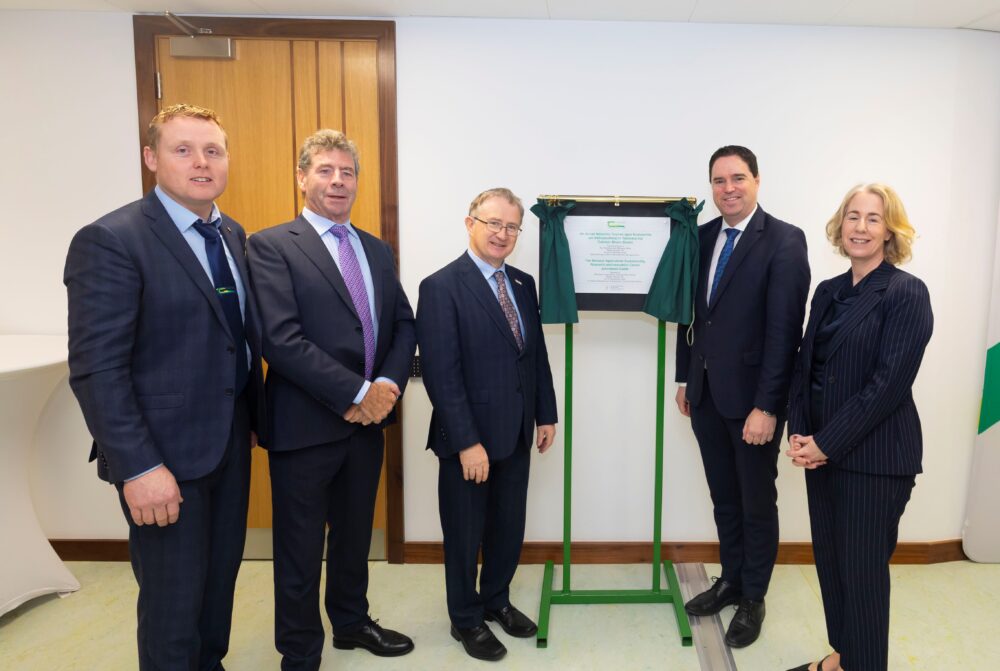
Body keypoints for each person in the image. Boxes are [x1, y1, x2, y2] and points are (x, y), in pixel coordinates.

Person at [64, 103, 265, 670]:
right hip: (161, 459)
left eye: (213, 150)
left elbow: (232, 339)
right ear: (152, 159)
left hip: (227, 444)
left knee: (216, 591)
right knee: (173, 606)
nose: (201, 162)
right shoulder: (112, 239)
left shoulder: (230, 233)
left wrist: (247, 419)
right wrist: (138, 467)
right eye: (183, 150)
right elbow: (97, 367)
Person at [247, 129, 416, 669]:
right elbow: (279, 338)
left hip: (366, 427)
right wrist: (356, 392)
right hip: (304, 426)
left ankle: (350, 622)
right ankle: (299, 652)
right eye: (324, 170)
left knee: (354, 537)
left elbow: (403, 325)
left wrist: (385, 388)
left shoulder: (376, 248)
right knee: (298, 551)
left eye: (347, 172)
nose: (338, 181)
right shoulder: (271, 246)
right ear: (301, 178)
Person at [786, 184, 932, 671]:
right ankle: (844, 658)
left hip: (876, 460)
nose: (861, 227)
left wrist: (826, 443)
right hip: (822, 454)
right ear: (840, 225)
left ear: (890, 230)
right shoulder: (828, 292)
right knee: (832, 566)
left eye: (873, 218)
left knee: (863, 577)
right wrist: (801, 433)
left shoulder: (906, 292)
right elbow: (806, 366)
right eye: (853, 217)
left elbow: (886, 386)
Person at [675, 145, 810, 647]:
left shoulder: (783, 241)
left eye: (737, 178)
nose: (727, 188)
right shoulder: (702, 236)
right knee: (724, 498)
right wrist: (685, 379)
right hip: (706, 396)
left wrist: (767, 406)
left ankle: (753, 596)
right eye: (718, 180)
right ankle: (730, 579)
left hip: (753, 402)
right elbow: (691, 314)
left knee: (756, 502)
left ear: (756, 180)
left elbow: (785, 334)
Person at [416, 188, 558, 661]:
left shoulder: (522, 283)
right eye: (493, 223)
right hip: (469, 441)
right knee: (464, 532)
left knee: (506, 526)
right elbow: (441, 373)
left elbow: (533, 354)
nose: (502, 234)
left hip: (517, 432)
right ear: (469, 222)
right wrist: (467, 442)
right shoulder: (441, 287)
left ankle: (496, 599)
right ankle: (466, 618)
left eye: (512, 227)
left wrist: (546, 414)